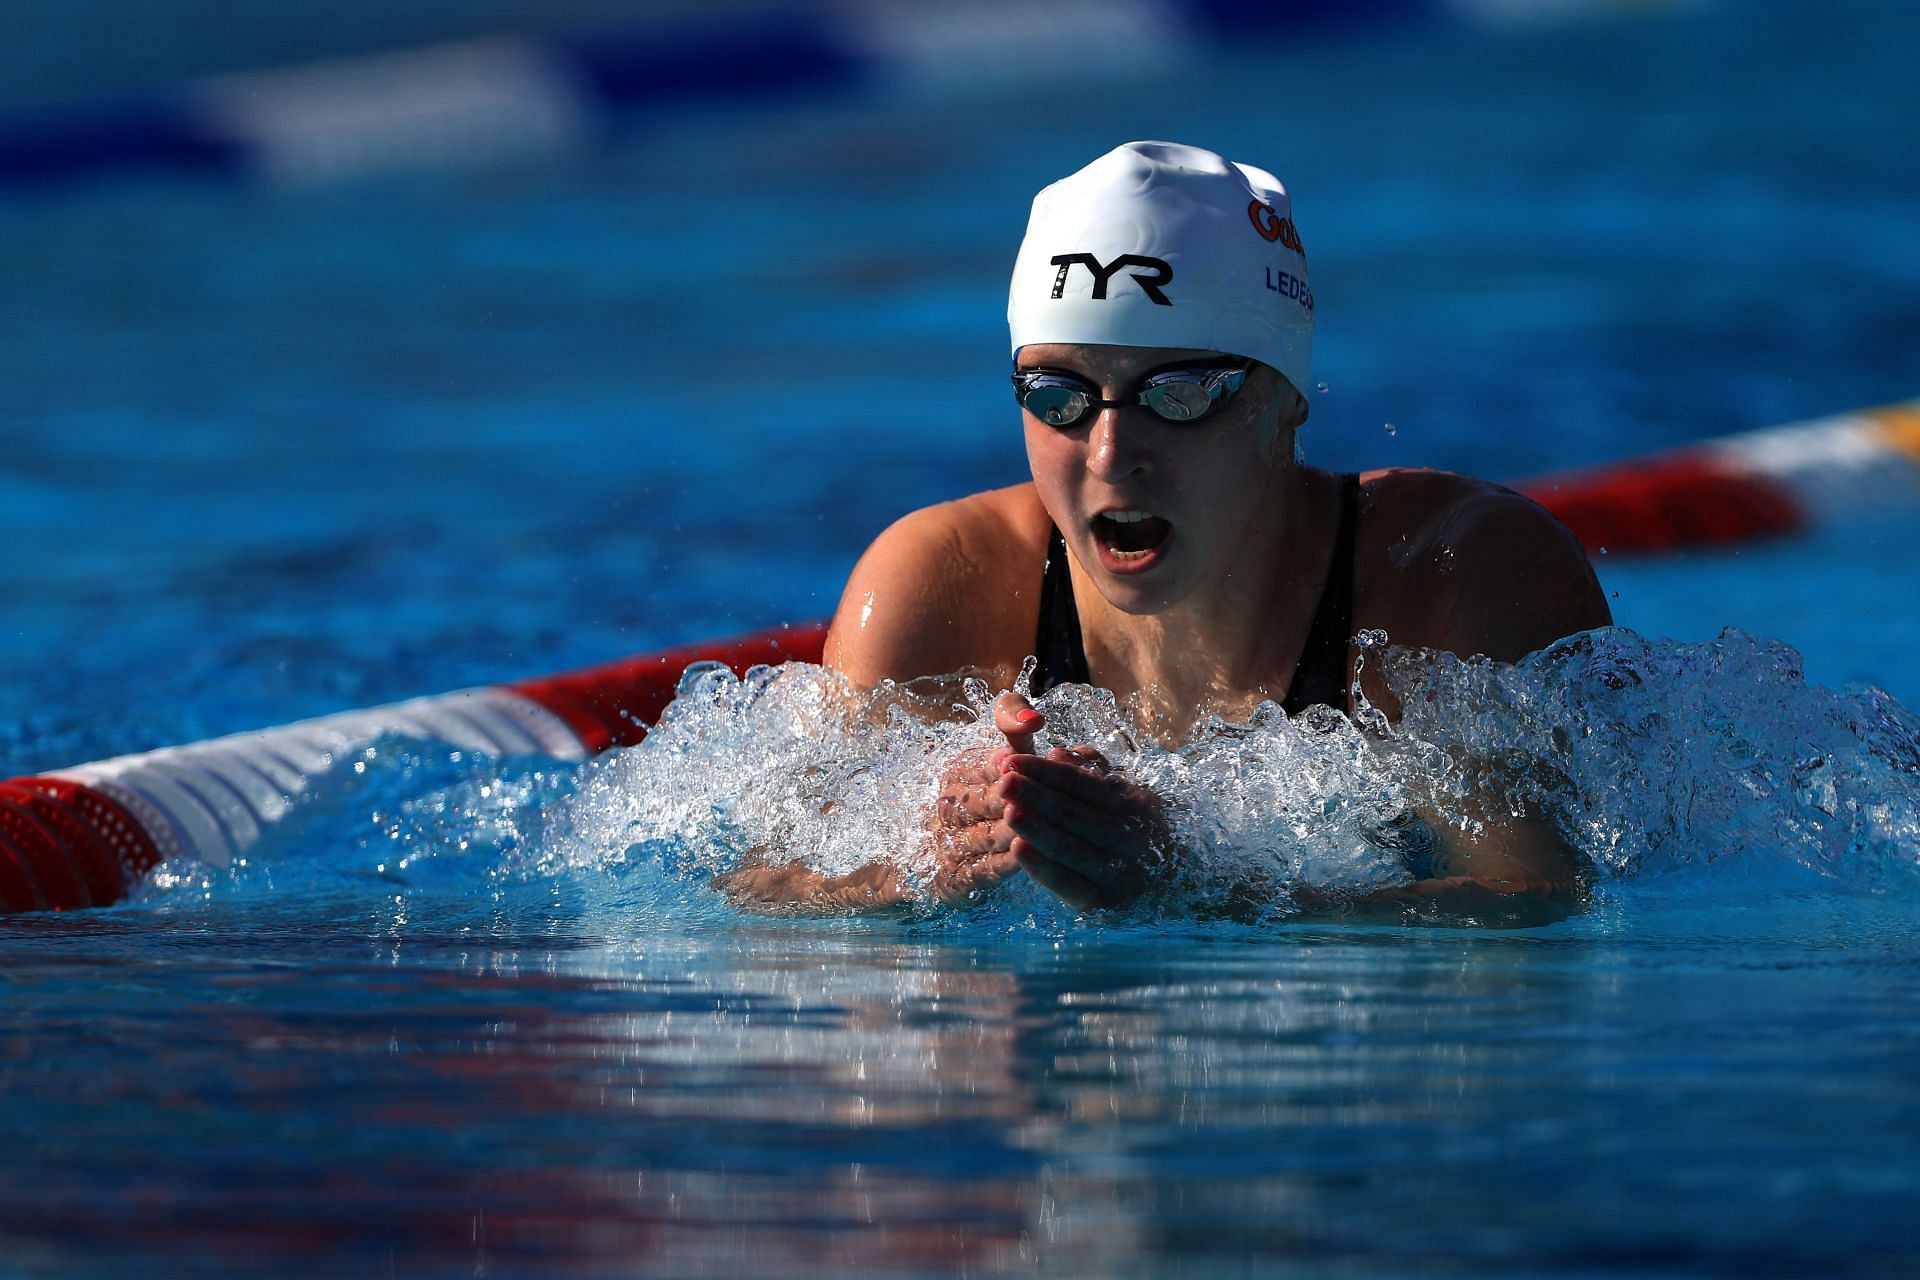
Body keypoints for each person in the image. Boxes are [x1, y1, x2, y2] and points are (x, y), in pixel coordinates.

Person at [724, 141, 1611, 922]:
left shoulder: (1456, 577)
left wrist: (1192, 884)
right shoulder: (943, 583)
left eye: (1180, 393)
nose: (1111, 453)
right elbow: (758, 894)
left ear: (1284, 399)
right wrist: (928, 871)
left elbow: (1540, 913)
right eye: (1057, 394)